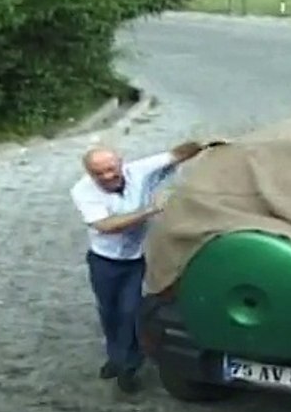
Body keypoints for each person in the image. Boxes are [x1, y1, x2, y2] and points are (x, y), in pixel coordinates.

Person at [70, 141, 205, 393]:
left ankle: (129, 366)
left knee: (130, 310)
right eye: (99, 173)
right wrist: (151, 210)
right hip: (105, 260)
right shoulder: (82, 191)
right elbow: (107, 226)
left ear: (120, 163)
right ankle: (116, 356)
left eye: (111, 169)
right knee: (108, 311)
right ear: (90, 174)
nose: (108, 176)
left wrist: (204, 144)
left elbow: (175, 155)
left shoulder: (140, 170)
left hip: (138, 258)